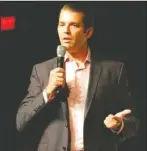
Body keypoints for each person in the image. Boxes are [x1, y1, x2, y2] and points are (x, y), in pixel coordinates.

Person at [16, 2, 139, 151]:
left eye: (74, 25)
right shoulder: (42, 70)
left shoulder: (113, 70)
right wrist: (47, 92)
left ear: (88, 32)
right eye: (62, 24)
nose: (65, 31)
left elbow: (134, 122)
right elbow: (20, 121)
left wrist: (120, 124)